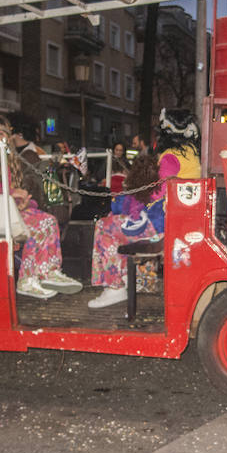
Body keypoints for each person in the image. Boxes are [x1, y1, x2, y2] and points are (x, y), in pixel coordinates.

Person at [88, 110, 202, 308]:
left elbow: (157, 192)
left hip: (161, 224)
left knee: (104, 226)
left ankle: (114, 287)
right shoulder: (191, 154)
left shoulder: (170, 157)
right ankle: (136, 281)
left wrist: (128, 199)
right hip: (177, 220)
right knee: (117, 224)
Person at [0, 115, 81, 299]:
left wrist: (25, 203)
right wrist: (12, 192)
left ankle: (48, 270)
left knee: (48, 220)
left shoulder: (5, 162)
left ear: (8, 138)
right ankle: (27, 279)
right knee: (35, 226)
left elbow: (7, 195)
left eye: (0, 133)